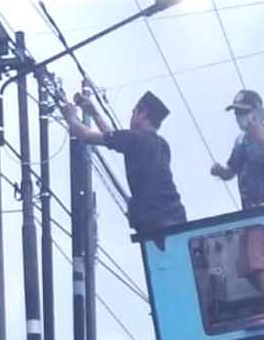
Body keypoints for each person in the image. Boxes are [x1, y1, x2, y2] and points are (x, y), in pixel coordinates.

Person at [64, 89, 187, 235]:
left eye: (134, 111)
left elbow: (86, 136)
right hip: (175, 216)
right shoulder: (161, 145)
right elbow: (114, 138)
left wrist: (70, 117)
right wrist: (94, 114)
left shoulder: (135, 139)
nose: (131, 116)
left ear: (143, 113)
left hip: (154, 220)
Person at [210, 90, 264, 326]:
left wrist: (260, 138)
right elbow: (232, 171)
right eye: (237, 113)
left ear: (257, 112)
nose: (239, 118)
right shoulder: (240, 141)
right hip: (248, 210)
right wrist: (220, 171)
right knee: (243, 265)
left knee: (257, 260)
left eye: (243, 112)